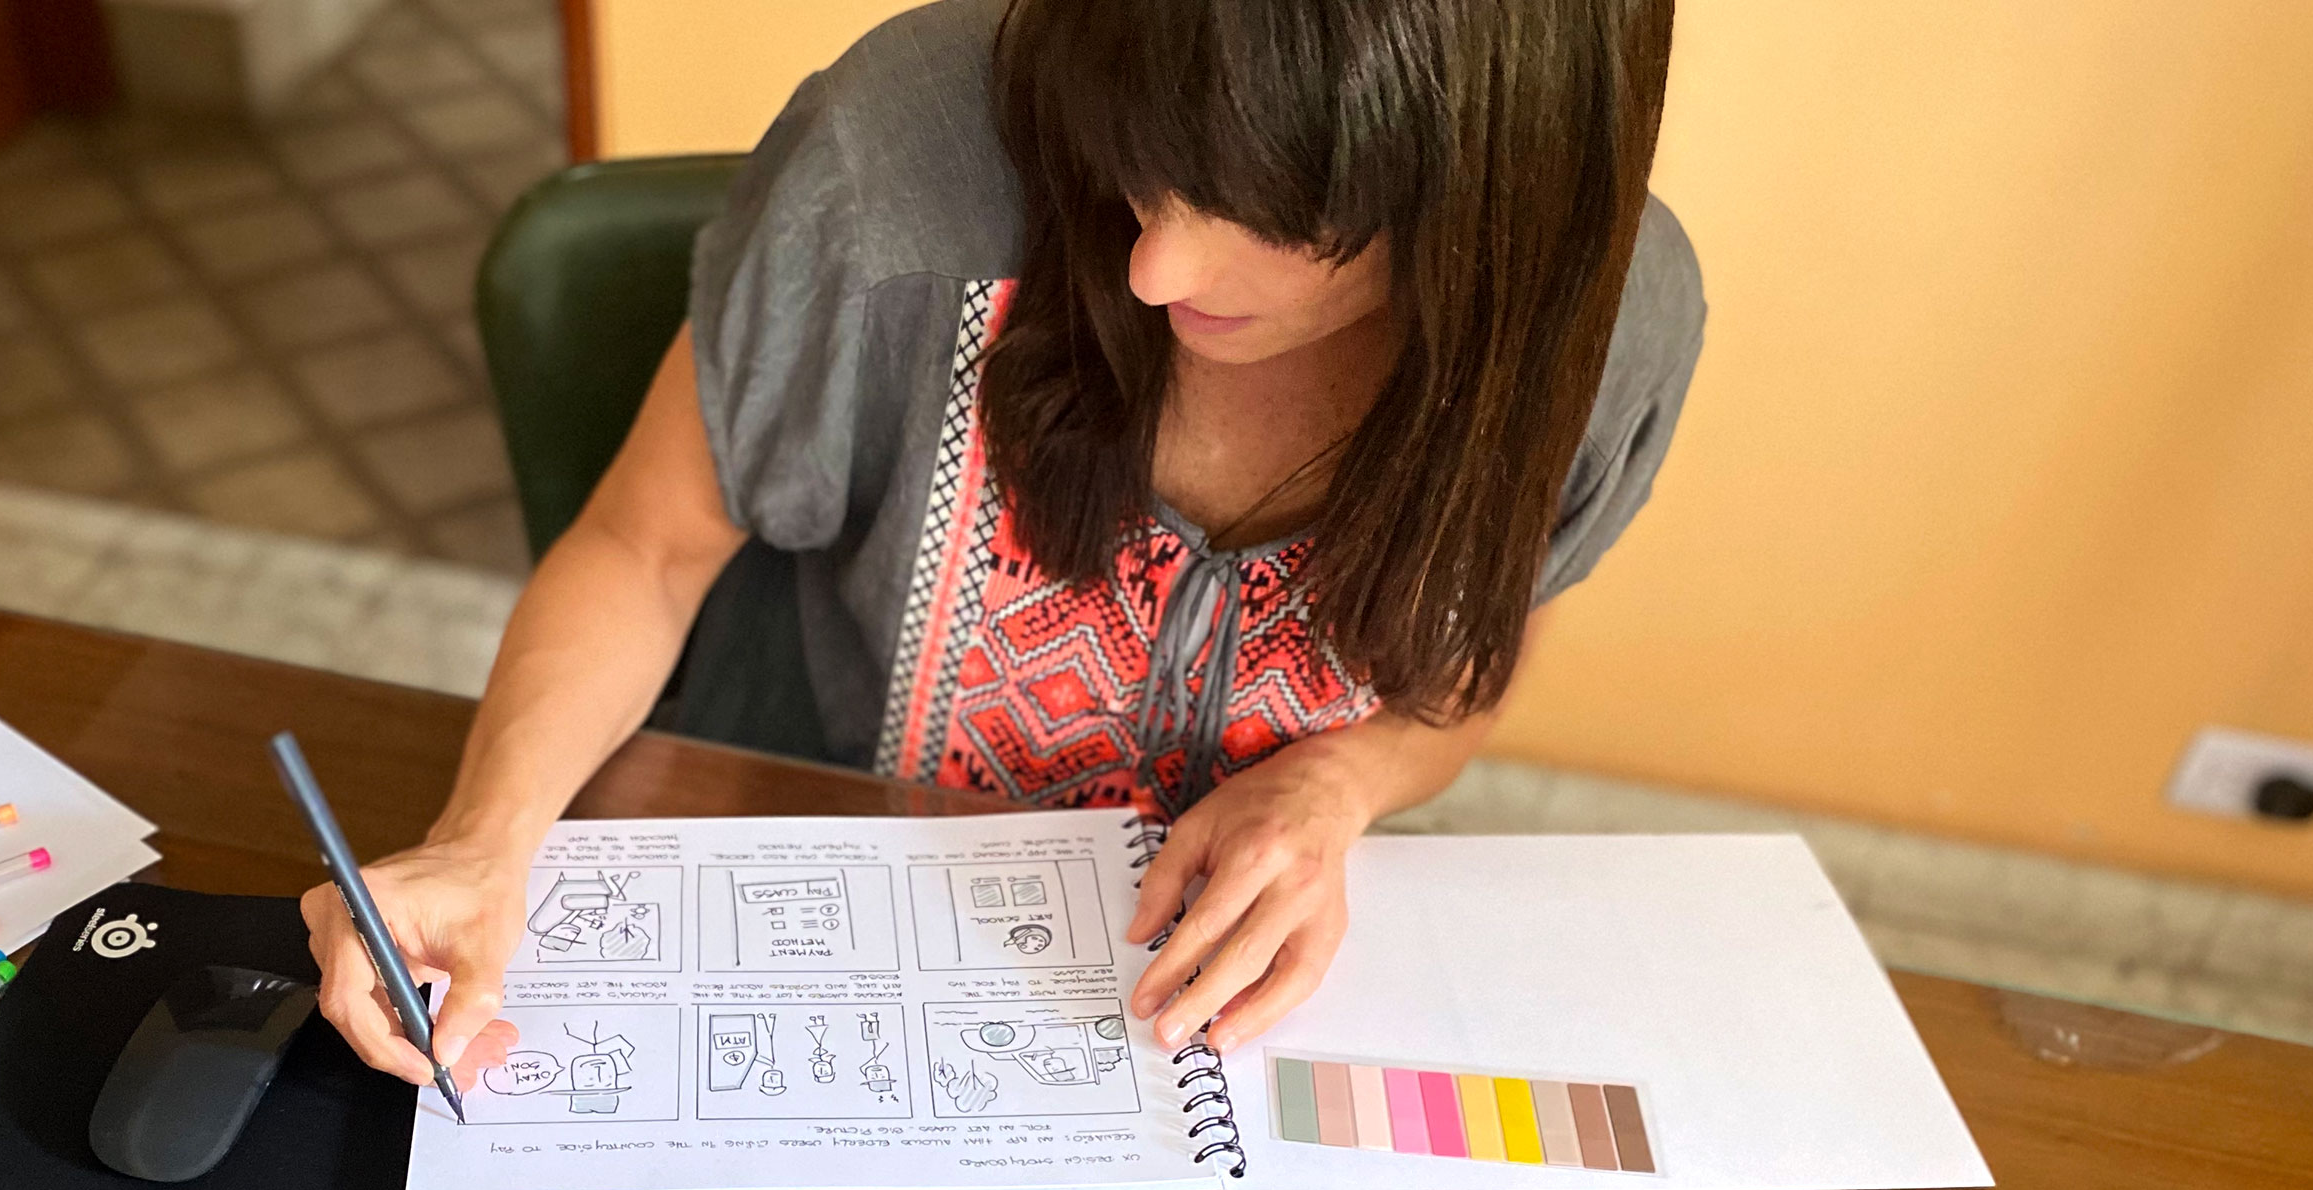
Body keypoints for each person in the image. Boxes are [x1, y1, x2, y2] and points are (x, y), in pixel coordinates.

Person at [308, 0, 1703, 1087]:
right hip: (812, 902)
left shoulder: (1600, 339)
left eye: (1276, 219)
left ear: (1491, 199)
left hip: (1214, 1040)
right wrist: (482, 840)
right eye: (1142, 169)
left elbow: (1467, 666)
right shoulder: (890, 165)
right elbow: (644, 546)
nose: (1155, 269)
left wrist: (1339, 784)